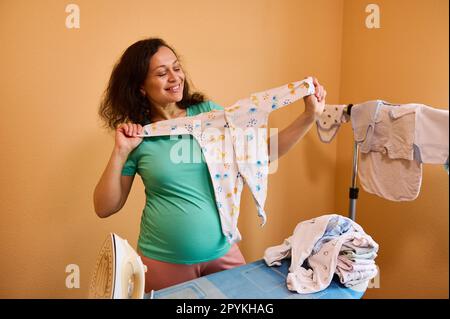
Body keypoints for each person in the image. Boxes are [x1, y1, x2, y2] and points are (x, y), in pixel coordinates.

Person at [93, 38, 326, 293]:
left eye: (177, 68)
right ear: (140, 87)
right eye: (162, 73)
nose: (174, 77)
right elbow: (105, 207)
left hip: (222, 253)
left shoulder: (211, 116)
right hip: (161, 262)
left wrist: (309, 116)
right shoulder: (139, 136)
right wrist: (120, 152)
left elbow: (262, 154)